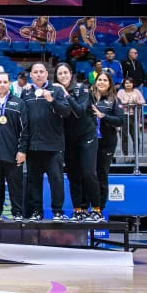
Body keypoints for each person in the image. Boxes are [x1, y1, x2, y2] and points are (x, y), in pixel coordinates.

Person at [20, 62, 71, 222]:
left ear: (46, 74)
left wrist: (52, 100)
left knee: (56, 180)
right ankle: (36, 211)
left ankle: (57, 211)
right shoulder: (26, 93)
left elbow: (66, 111)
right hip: (33, 146)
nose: (39, 74)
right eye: (35, 72)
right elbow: (23, 120)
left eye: (42, 71)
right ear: (31, 75)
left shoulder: (56, 90)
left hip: (53, 146)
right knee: (34, 182)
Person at [54, 63, 102, 223]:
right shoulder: (55, 92)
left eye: (65, 73)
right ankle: (78, 210)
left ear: (71, 74)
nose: (63, 76)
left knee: (89, 173)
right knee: (74, 175)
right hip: (68, 139)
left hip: (87, 135)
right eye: (60, 74)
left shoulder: (82, 89)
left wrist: (66, 94)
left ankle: (96, 209)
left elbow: (80, 111)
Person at [0, 72, 27, 222]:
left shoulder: (19, 103)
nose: (2, 84)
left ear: (9, 84)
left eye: (5, 82)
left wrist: (22, 150)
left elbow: (25, 129)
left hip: (13, 152)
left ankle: (17, 213)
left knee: (15, 185)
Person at [92, 71, 124, 216]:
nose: (102, 82)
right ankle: (87, 207)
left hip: (107, 143)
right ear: (95, 82)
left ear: (110, 83)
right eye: (99, 80)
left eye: (105, 80)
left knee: (101, 175)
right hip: (89, 143)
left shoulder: (114, 100)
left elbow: (120, 120)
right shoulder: (89, 98)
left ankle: (99, 209)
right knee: (88, 174)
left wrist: (103, 116)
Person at [117, 77, 145, 163]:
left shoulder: (137, 91)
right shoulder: (121, 92)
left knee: (136, 137)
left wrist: (136, 102)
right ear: (124, 84)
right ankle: (125, 156)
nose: (128, 85)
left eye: (130, 83)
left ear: (133, 84)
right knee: (124, 136)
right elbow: (118, 102)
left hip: (134, 116)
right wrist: (126, 103)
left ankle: (135, 155)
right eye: (126, 83)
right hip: (124, 116)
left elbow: (143, 101)